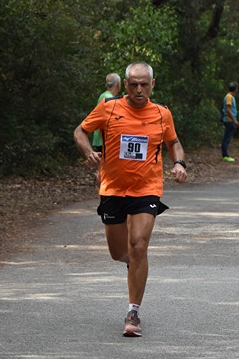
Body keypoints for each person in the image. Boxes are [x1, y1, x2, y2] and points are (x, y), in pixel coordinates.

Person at [74, 62, 187, 337]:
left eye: (144, 84)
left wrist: (180, 163)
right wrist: (88, 151)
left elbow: (173, 142)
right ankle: (135, 264)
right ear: (126, 85)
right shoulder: (109, 108)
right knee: (119, 252)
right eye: (134, 84)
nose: (139, 89)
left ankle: (133, 313)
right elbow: (80, 131)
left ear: (152, 84)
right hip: (112, 189)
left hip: (147, 188)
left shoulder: (162, 114)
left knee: (138, 245)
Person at [92, 73, 121, 152]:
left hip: (100, 139)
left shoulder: (103, 95)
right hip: (105, 140)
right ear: (118, 84)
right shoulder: (109, 98)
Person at [221, 82, 239, 162]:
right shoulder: (229, 97)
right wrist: (234, 120)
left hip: (230, 120)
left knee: (228, 137)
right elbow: (228, 109)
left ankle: (225, 154)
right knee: (227, 138)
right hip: (229, 120)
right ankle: (225, 155)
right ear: (235, 89)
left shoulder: (230, 97)